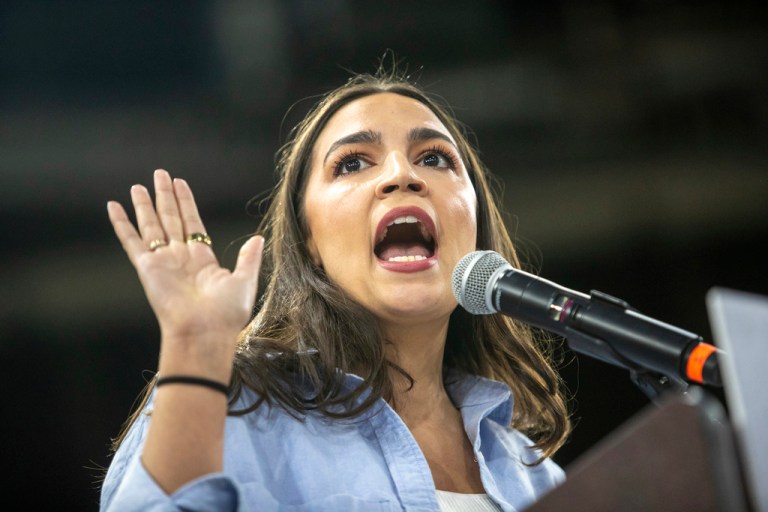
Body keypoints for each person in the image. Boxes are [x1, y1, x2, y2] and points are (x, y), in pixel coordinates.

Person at [99, 64, 572, 512]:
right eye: (352, 164)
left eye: (433, 158)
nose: (401, 175)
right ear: (309, 241)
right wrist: (194, 348)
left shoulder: (538, 479)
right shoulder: (229, 410)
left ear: (476, 224)